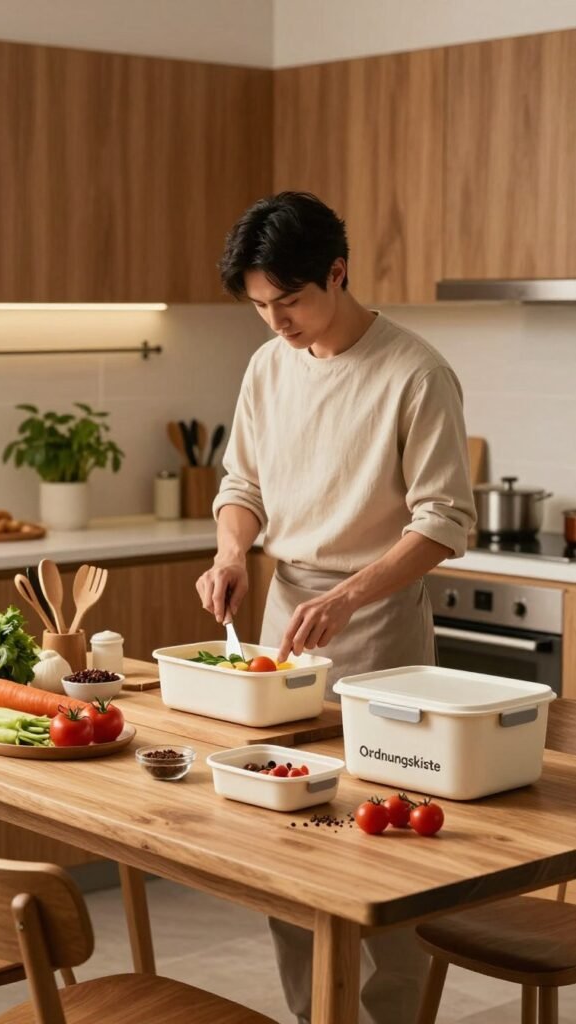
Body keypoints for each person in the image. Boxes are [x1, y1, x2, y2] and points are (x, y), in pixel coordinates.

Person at [196, 191, 476, 1024]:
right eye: (258, 307)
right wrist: (230, 551)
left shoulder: (414, 372)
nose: (275, 323)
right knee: (285, 845)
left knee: (380, 851)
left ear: (338, 271)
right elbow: (240, 484)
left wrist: (351, 593)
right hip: (285, 626)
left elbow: (443, 519)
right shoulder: (267, 367)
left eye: (289, 300)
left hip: (381, 628)